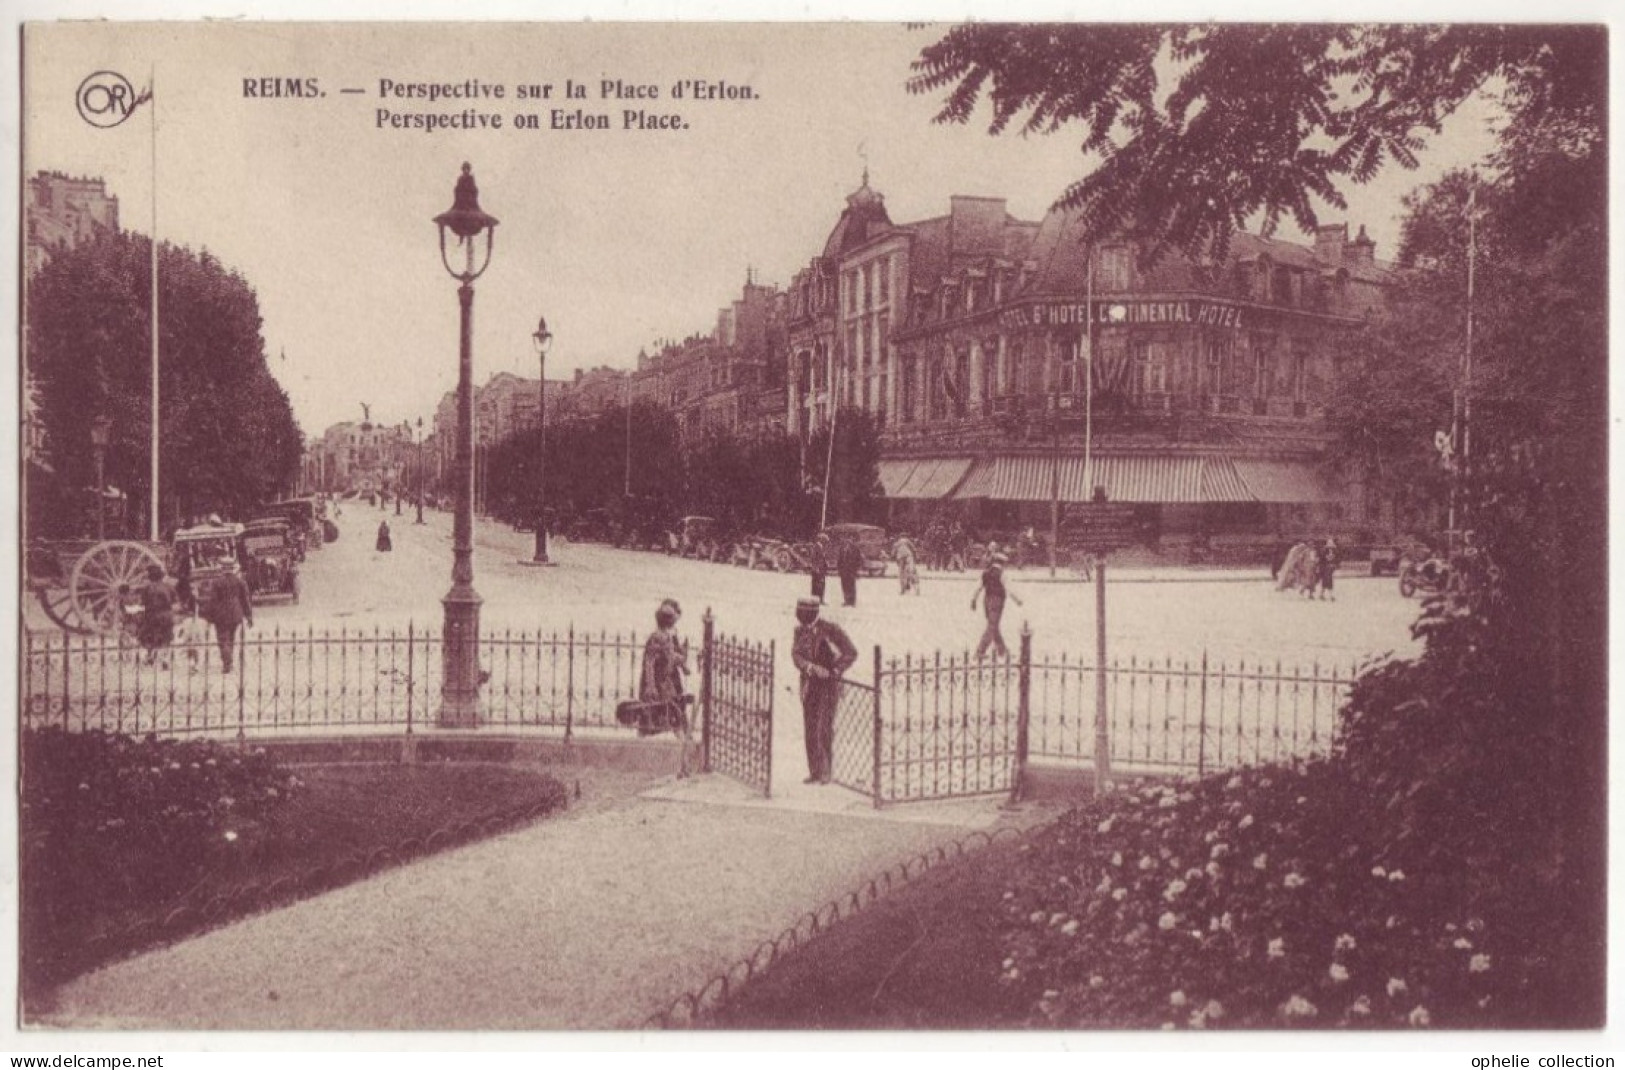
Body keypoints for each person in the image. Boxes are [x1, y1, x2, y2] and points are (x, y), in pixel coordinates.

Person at [792, 596, 857, 785]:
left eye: (804, 612)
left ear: (813, 612)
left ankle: (826, 772)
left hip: (829, 685)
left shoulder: (830, 630)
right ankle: (814, 771)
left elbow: (851, 652)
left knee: (824, 728)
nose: (801, 616)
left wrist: (835, 670)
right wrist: (810, 667)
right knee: (810, 728)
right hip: (809, 685)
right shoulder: (799, 631)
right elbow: (796, 655)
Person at [639, 598, 695, 776]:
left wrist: (684, 660)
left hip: (670, 684)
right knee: (665, 721)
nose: (675, 622)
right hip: (661, 686)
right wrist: (651, 687)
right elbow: (649, 663)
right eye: (673, 620)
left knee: (677, 720)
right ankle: (679, 766)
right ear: (667, 621)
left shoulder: (668, 636)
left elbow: (672, 657)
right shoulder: (657, 637)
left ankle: (684, 765)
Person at [201, 561, 254, 673]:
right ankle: (229, 660)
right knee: (231, 637)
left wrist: (209, 617)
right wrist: (249, 616)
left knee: (222, 639)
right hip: (236, 612)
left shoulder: (216, 582)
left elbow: (213, 601)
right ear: (232, 568)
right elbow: (245, 600)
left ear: (222, 569)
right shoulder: (240, 581)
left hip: (221, 614)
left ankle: (227, 662)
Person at [972, 552, 1024, 659]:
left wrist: (973, 600)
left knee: (993, 625)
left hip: (986, 601)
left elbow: (978, 588)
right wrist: (1018, 600)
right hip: (997, 601)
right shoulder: (1002, 574)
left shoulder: (985, 573)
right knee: (992, 627)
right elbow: (1010, 589)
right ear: (1002, 563)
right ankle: (980, 651)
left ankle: (1002, 650)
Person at [135, 564, 175, 665]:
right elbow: (175, 601)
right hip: (167, 615)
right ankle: (165, 657)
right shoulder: (169, 587)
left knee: (149, 635)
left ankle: (150, 656)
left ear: (150, 577)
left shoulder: (147, 588)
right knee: (166, 635)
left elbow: (142, 603)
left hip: (152, 615)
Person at [836, 535, 863, 607]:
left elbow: (859, 559)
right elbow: (839, 560)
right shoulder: (842, 548)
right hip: (843, 570)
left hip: (851, 570)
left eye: (849, 539)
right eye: (846, 539)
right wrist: (839, 569)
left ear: (852, 540)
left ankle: (852, 602)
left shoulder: (855, 548)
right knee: (844, 586)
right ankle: (846, 600)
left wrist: (858, 570)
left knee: (852, 586)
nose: (848, 541)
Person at [809, 532, 831, 604]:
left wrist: (826, 564)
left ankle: (820, 599)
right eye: (825, 540)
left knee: (821, 585)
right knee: (816, 585)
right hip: (817, 569)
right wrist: (816, 568)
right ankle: (815, 600)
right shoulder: (816, 547)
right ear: (821, 539)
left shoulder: (821, 547)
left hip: (822, 569)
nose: (826, 542)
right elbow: (813, 558)